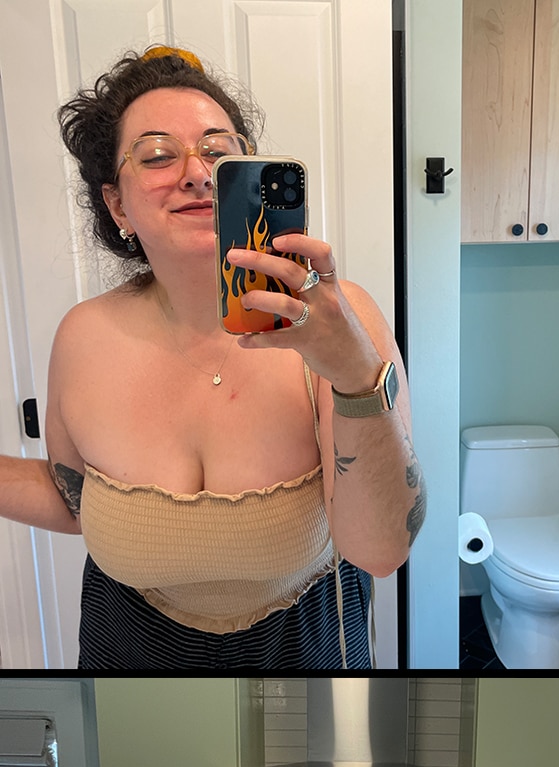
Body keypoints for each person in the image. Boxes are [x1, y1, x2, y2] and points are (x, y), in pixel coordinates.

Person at [0, 46, 423, 667]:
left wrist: (358, 377)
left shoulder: (337, 319)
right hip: (127, 652)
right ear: (118, 205)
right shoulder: (82, 337)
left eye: (219, 153)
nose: (197, 172)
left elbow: (381, 552)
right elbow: (75, 501)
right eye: (158, 155)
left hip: (302, 650)